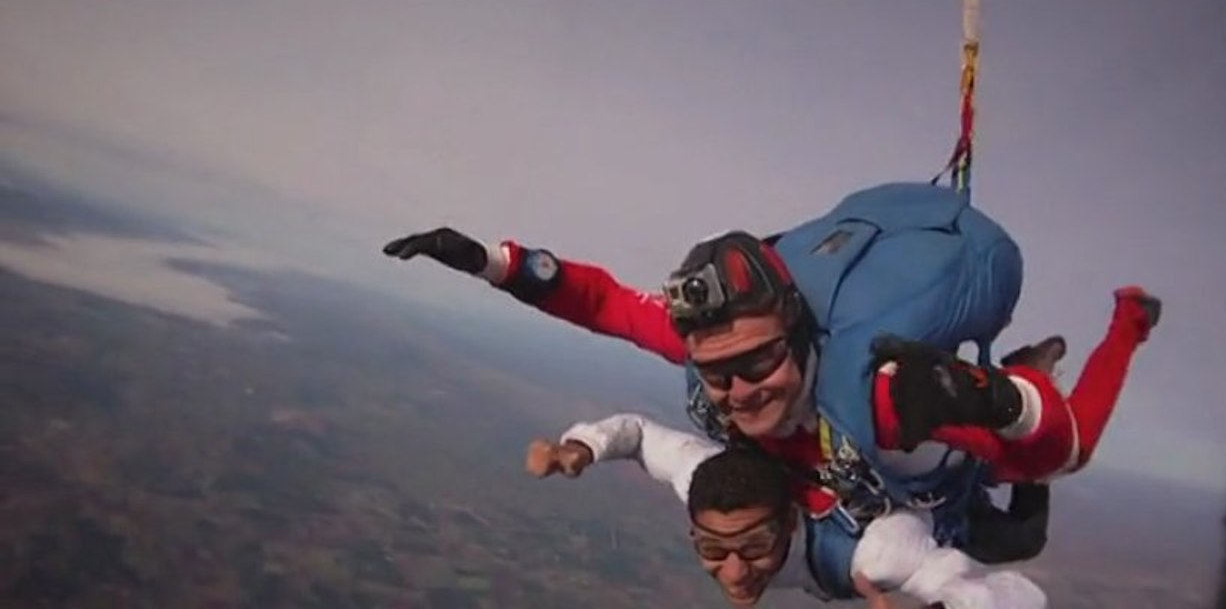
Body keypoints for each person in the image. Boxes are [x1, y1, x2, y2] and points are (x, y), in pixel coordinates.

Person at [384, 183, 1158, 549]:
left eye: (759, 362)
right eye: (718, 371)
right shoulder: (714, 355)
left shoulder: (882, 401)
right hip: (887, 462)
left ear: (797, 335)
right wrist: (486, 260)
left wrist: (996, 397)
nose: (739, 391)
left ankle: (1124, 323)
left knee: (1021, 523)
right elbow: (601, 300)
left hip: (944, 459)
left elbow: (1060, 446)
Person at [523, 411, 1047, 608]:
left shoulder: (878, 556)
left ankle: (1035, 439)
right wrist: (583, 447)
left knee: (1024, 537)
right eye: (711, 548)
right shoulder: (704, 481)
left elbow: (1012, 596)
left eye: (754, 547)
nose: (733, 571)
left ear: (791, 522)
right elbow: (636, 434)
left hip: (936, 504)